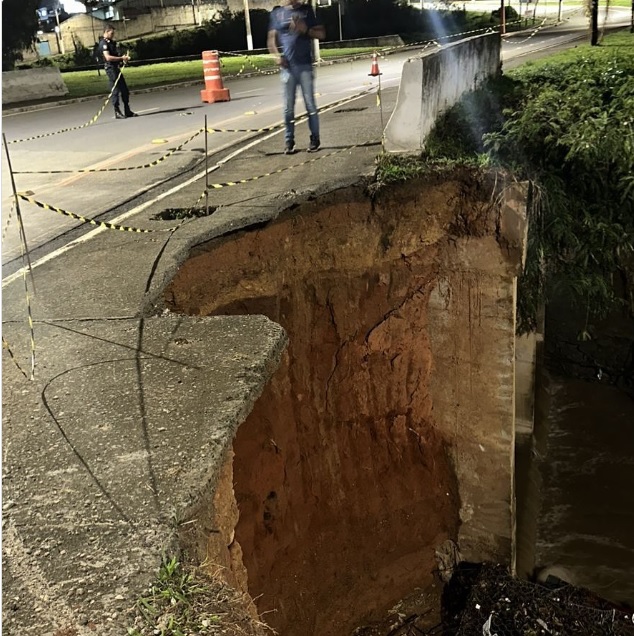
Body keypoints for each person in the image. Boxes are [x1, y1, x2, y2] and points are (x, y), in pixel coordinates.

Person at [267, 0, 325, 154]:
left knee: (310, 105)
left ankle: (315, 138)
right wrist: (276, 57)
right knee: (288, 108)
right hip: (288, 68)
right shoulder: (277, 13)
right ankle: (289, 141)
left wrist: (305, 30)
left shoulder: (307, 11)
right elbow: (271, 40)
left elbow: (321, 33)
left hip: (305, 65)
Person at [99, 26, 137, 119]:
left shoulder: (112, 43)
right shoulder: (103, 43)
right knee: (115, 90)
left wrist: (122, 59)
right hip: (110, 69)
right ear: (106, 32)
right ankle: (117, 111)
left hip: (116, 67)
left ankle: (127, 110)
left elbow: (115, 55)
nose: (113, 35)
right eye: (111, 33)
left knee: (124, 89)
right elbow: (108, 57)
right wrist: (121, 58)